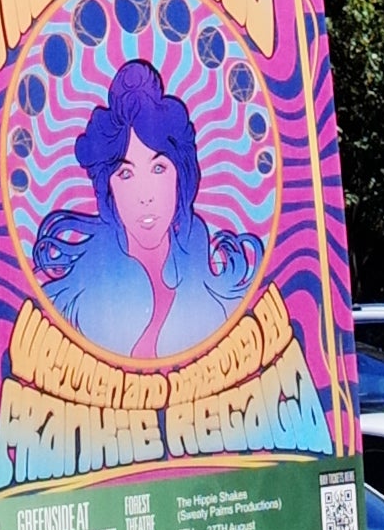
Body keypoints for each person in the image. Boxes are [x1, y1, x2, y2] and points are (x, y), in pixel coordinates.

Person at [31, 57, 234, 364]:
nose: (145, 195)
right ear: (108, 190)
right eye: (125, 174)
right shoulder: (80, 297)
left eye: (159, 168)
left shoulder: (209, 285)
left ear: (182, 176)